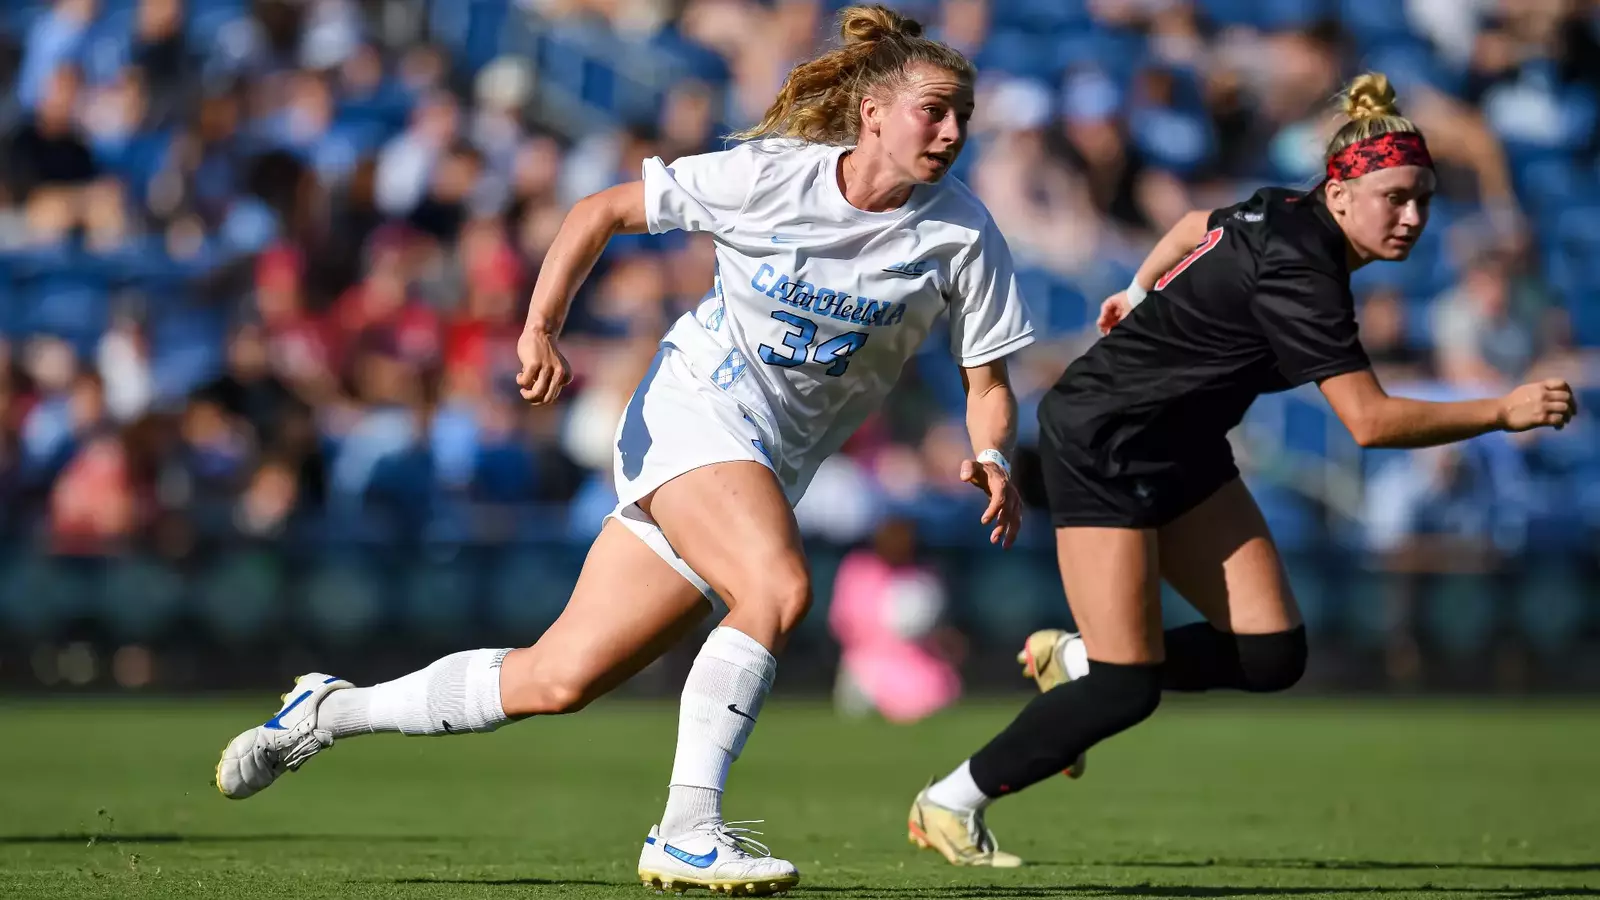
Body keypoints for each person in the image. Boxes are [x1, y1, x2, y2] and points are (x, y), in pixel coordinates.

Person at [215, 6, 1036, 895]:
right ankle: (687, 830)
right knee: (777, 588)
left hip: (768, 465)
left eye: (963, 114)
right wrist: (540, 325)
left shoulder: (963, 235)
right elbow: (601, 209)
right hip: (694, 412)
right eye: (934, 109)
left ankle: (329, 711)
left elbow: (986, 384)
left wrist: (992, 454)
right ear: (873, 112)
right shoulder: (769, 178)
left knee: (555, 678)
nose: (952, 131)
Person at [906, 72, 1577, 868]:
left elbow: (1192, 223)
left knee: (1272, 655)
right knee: (1129, 687)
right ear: (1340, 191)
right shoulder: (1306, 272)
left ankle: (1075, 658)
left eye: (1424, 200)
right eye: (1394, 197)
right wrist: (1501, 410)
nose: (1412, 217)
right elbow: (1368, 422)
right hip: (1104, 440)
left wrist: (1138, 286)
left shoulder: (1281, 207)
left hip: (1183, 444)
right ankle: (950, 801)